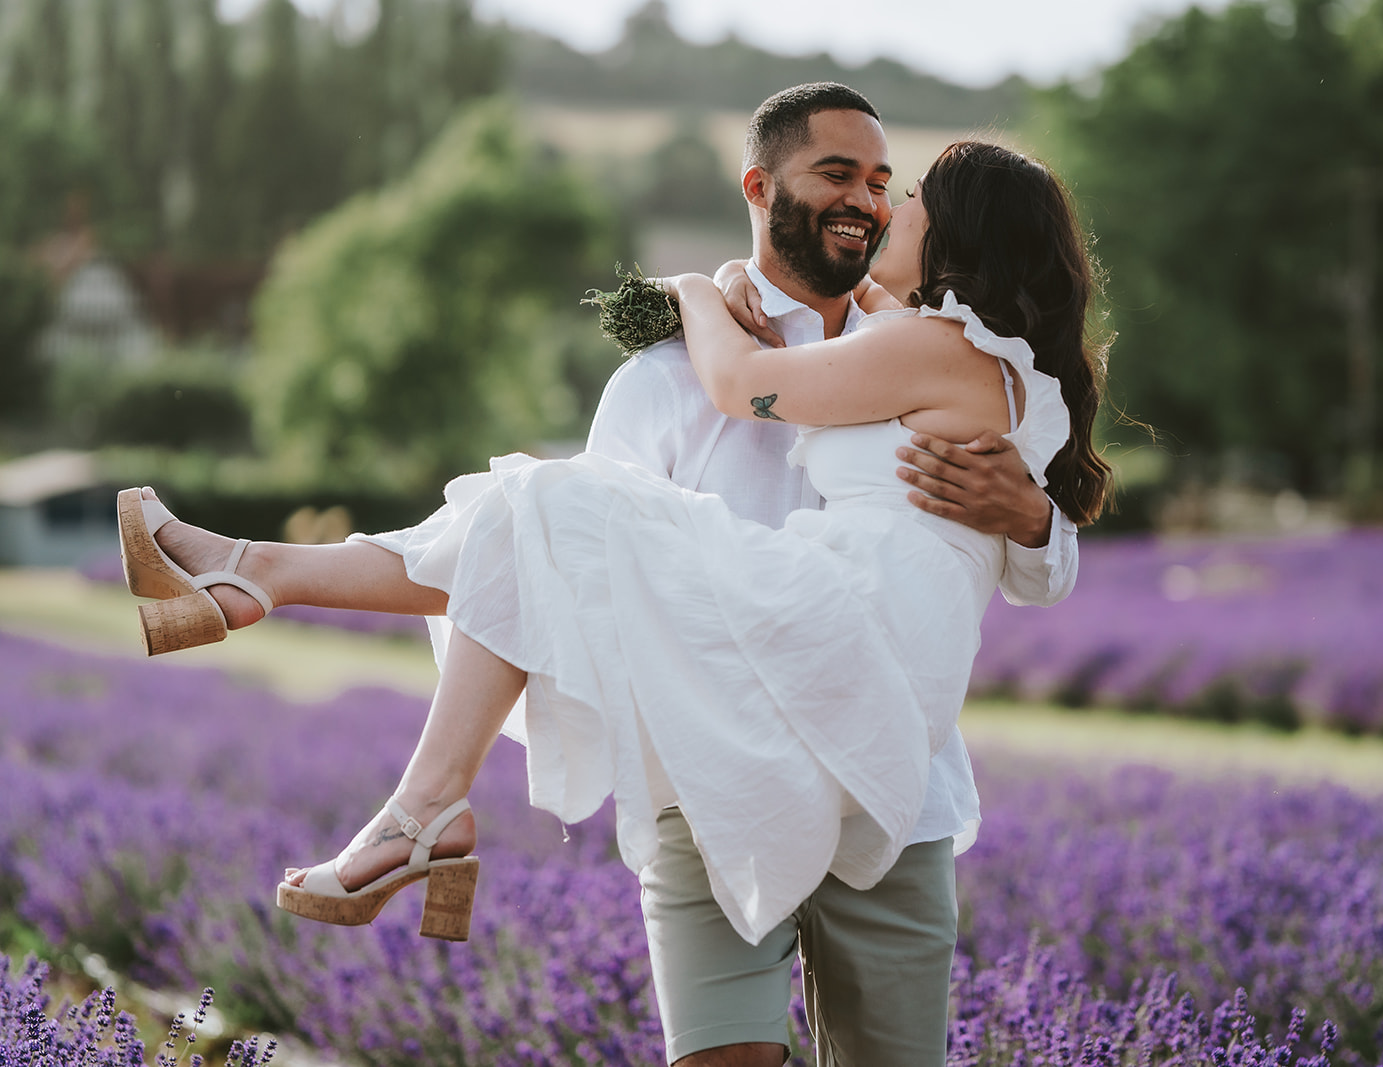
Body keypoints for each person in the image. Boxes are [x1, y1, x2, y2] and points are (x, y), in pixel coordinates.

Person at [117, 85, 1109, 1067]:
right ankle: (278, 610)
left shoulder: (918, 345)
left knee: (541, 508)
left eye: (893, 189)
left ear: (952, 238)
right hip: (716, 763)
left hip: (884, 760)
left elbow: (1038, 562)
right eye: (840, 175)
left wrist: (1031, 516)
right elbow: (559, 584)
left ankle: (304, 647)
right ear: (761, 185)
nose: (873, 201)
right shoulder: (673, 379)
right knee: (535, 517)